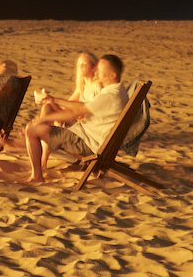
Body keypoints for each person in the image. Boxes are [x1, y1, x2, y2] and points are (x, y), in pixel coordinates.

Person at [21, 53, 129, 185]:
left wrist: (44, 119)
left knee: (32, 130)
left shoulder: (110, 95)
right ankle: (41, 164)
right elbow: (81, 106)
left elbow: (78, 111)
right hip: (90, 138)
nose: (96, 71)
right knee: (43, 121)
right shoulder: (118, 91)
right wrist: (53, 100)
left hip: (86, 143)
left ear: (112, 75)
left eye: (100, 70)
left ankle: (37, 176)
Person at [34, 50, 99, 121]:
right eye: (79, 65)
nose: (80, 67)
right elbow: (66, 106)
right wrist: (48, 100)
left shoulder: (97, 86)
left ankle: (40, 127)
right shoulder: (82, 87)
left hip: (85, 123)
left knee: (49, 107)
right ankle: (41, 126)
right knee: (47, 106)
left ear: (94, 67)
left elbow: (93, 110)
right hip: (75, 118)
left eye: (84, 64)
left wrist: (53, 100)